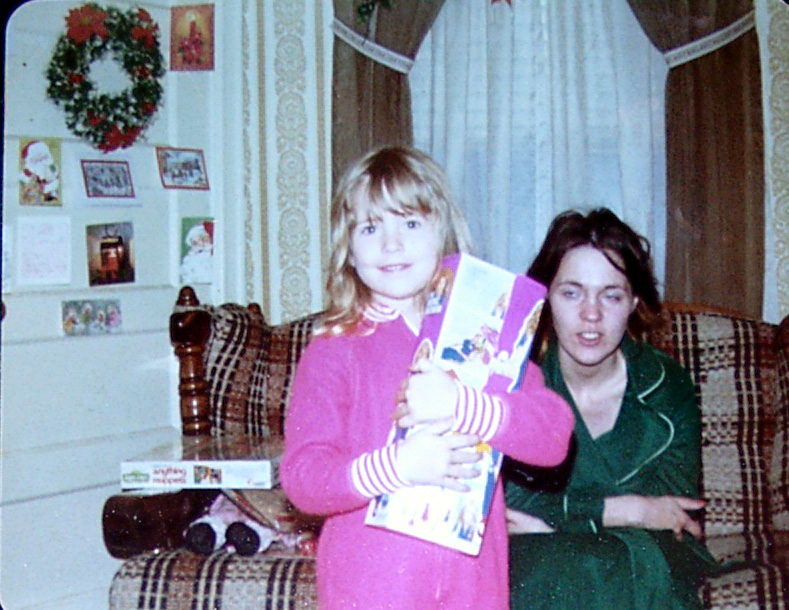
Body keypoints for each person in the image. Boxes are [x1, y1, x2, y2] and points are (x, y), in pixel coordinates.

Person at [280, 145, 574, 610]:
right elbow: (303, 479)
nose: (391, 244)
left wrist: (464, 405)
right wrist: (398, 467)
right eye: (370, 227)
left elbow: (554, 435)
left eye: (411, 224)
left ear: (443, 232)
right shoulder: (335, 350)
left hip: (472, 588)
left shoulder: (483, 334)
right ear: (348, 248)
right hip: (371, 591)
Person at [505, 208, 721, 610]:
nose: (591, 314)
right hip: (544, 565)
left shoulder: (667, 386)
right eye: (572, 293)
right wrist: (632, 509)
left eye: (611, 295)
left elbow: (673, 521)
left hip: (639, 565)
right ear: (546, 297)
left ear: (634, 301)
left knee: (583, 564)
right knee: (549, 566)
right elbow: (513, 508)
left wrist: (560, 522)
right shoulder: (518, 381)